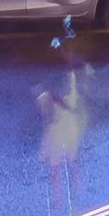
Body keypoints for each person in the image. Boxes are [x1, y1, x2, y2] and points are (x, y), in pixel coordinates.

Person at [38, 62, 89, 207]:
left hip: (58, 132)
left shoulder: (51, 97)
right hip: (65, 129)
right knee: (69, 164)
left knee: (57, 168)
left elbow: (47, 116)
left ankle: (60, 199)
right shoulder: (69, 95)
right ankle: (77, 194)